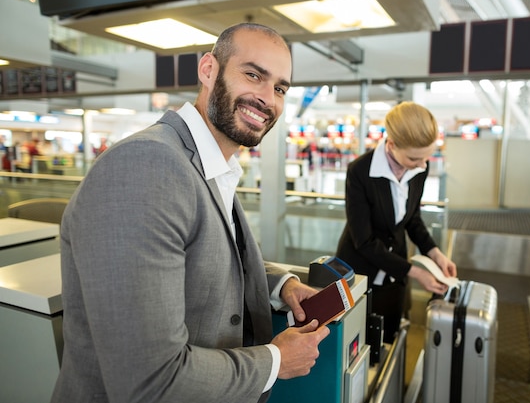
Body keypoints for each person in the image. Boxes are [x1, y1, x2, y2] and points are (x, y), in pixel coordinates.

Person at [51, 23, 330, 403]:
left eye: (280, 88)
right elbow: (150, 381)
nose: (268, 98)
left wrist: (283, 286)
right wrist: (275, 361)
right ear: (208, 70)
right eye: (253, 75)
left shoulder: (207, 165)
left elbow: (207, 257)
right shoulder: (145, 166)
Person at [335, 101, 457, 344]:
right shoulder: (360, 171)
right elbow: (364, 241)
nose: (422, 165)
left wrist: (435, 254)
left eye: (426, 158)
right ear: (391, 144)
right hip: (360, 273)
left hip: (395, 275)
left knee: (388, 336)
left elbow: (412, 218)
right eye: (414, 158)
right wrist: (415, 273)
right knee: (357, 344)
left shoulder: (419, 167)